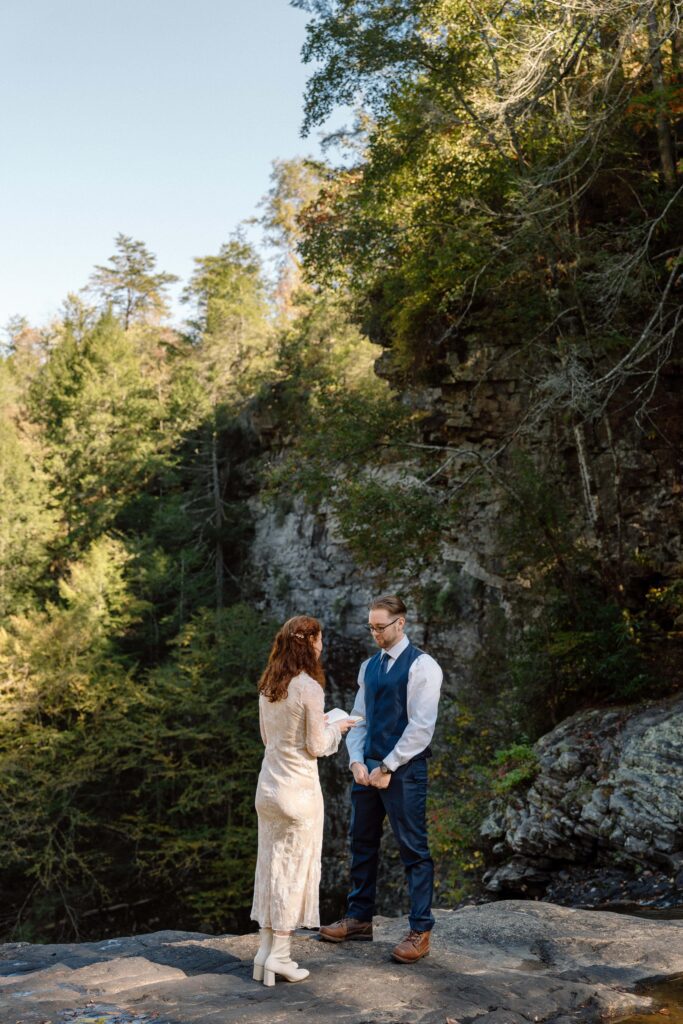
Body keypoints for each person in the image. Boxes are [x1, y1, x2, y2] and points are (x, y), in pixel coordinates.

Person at [319, 595, 443, 964]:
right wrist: (356, 761)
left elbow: (422, 727)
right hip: (367, 769)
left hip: (404, 770)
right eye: (370, 627)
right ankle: (358, 919)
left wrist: (388, 767)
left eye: (380, 627)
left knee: (413, 850)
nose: (374, 633)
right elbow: (360, 718)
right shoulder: (368, 667)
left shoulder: (423, 666)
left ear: (400, 623)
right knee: (362, 843)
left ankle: (420, 930)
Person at [250, 615, 356, 986]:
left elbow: (268, 738)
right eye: (319, 640)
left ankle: (264, 952)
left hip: (268, 790)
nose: (322, 646)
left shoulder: (269, 686)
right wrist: (337, 727)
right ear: (308, 642)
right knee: (293, 873)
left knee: (270, 867)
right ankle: (279, 956)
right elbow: (316, 745)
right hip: (298, 792)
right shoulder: (309, 687)